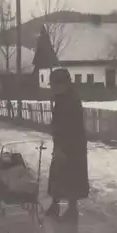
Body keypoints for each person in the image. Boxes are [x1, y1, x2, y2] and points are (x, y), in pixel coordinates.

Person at [46, 68, 89, 223]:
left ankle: (71, 210)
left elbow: (70, 126)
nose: (51, 88)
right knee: (59, 174)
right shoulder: (62, 97)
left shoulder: (70, 100)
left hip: (71, 145)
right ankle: (55, 205)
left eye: (53, 84)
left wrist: (62, 147)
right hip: (64, 143)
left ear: (62, 84)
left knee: (71, 176)